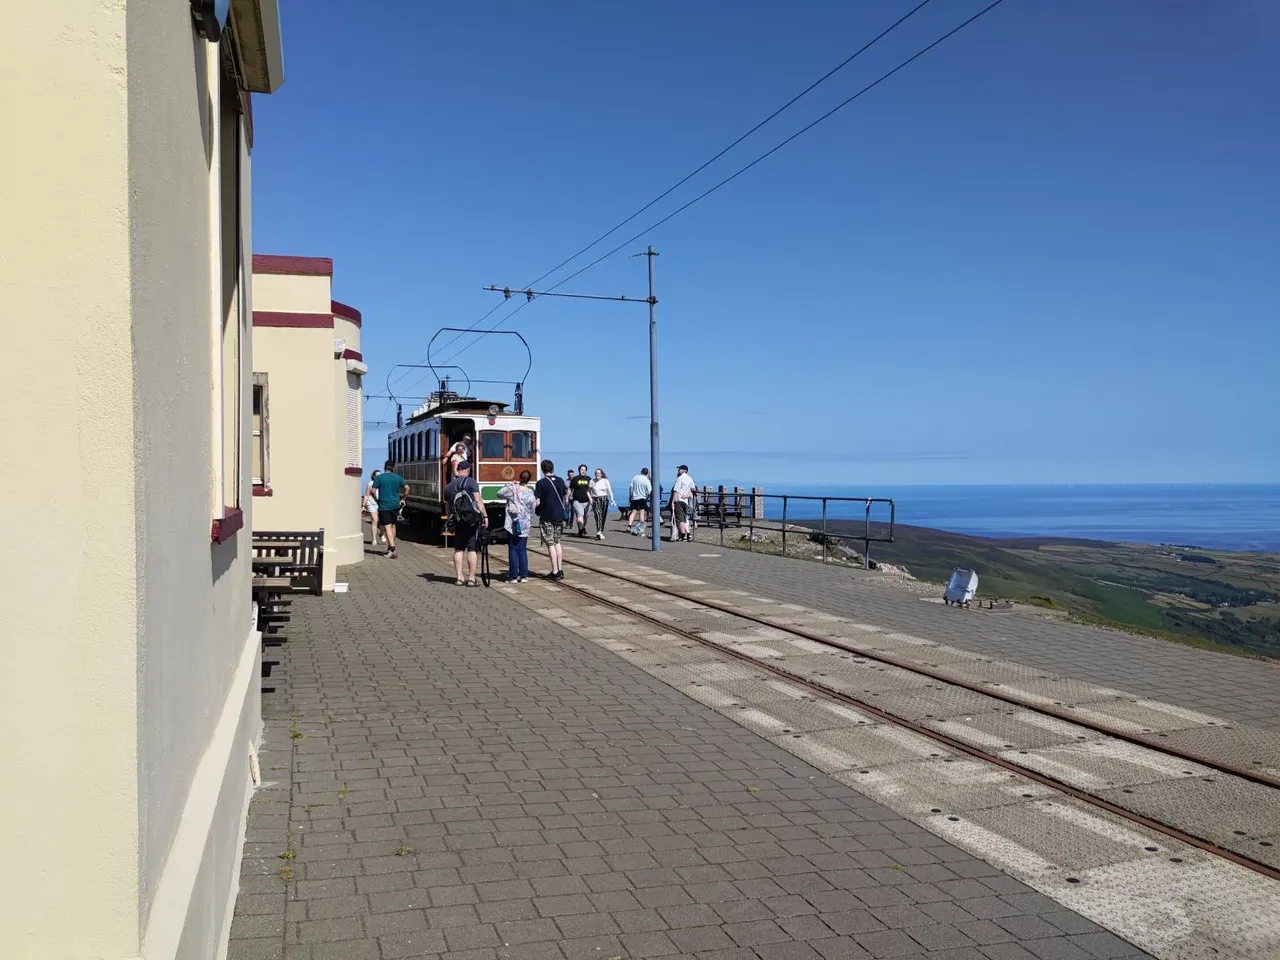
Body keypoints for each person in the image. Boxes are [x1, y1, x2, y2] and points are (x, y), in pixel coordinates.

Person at [444, 460, 487, 586]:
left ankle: (459, 577)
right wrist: (485, 516)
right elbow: (478, 500)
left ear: (458, 469)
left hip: (457, 520)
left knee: (458, 549)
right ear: (468, 470)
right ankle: (472, 579)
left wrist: (449, 519)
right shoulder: (471, 482)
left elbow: (447, 506)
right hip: (471, 521)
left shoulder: (449, 486)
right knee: (472, 549)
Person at [534, 459, 568, 580]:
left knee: (550, 543)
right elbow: (565, 494)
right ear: (552, 468)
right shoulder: (560, 480)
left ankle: (555, 571)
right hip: (559, 515)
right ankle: (560, 569)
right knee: (557, 542)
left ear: (542, 469)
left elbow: (537, 501)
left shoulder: (541, 483)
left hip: (547, 515)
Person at [500, 469, 536, 582]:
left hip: (513, 523)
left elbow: (499, 493)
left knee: (513, 549)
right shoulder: (530, 492)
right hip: (525, 524)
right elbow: (533, 508)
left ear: (520, 478)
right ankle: (524, 575)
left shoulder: (512, 489)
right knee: (522, 550)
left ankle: (513, 576)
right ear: (529, 480)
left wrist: (510, 484)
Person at [371, 460, 409, 559]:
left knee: (387, 527)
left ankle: (392, 550)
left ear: (385, 467)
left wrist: (377, 500)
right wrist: (403, 499)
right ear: (393, 467)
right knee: (393, 526)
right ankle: (390, 547)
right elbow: (407, 488)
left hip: (384, 506)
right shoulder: (397, 478)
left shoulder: (379, 478)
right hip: (395, 505)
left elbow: (373, 491)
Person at [672, 464, 697, 542]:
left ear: (684, 470)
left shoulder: (680, 478)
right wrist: (687, 496)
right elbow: (693, 491)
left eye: (680, 469)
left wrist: (672, 502)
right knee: (685, 518)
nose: (678, 470)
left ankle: (683, 535)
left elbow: (676, 491)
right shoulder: (690, 479)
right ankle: (688, 534)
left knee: (680, 519)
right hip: (686, 501)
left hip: (679, 500)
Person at [589, 468, 614, 540]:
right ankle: (599, 532)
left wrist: (612, 499)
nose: (597, 474)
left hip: (604, 499)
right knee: (598, 515)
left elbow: (609, 490)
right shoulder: (592, 481)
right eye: (596, 473)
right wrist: (590, 499)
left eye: (598, 473)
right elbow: (588, 490)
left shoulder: (605, 481)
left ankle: (600, 532)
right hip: (595, 499)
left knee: (603, 516)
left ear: (601, 474)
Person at [568, 464, 592, 537]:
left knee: (586, 516)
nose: (583, 471)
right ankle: (580, 530)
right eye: (582, 470)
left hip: (587, 501)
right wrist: (567, 497)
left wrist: (592, 498)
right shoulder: (575, 479)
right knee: (579, 516)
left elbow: (591, 489)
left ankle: (583, 527)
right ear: (579, 470)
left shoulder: (589, 479)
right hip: (577, 501)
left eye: (585, 470)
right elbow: (570, 488)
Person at [627, 467, 652, 536]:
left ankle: (629, 525)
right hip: (642, 498)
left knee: (633, 512)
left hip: (634, 497)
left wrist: (630, 496)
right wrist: (647, 498)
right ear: (647, 473)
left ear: (641, 472)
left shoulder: (635, 477)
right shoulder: (647, 480)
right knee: (642, 513)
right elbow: (649, 491)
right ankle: (641, 527)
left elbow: (631, 487)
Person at [364, 469, 383, 545]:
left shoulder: (383, 483)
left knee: (382, 521)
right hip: (371, 503)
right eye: (377, 475)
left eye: (380, 475)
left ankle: (382, 533)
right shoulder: (370, 483)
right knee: (375, 521)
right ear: (374, 476)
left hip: (381, 503)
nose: (379, 477)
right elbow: (366, 495)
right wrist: (363, 505)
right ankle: (374, 539)